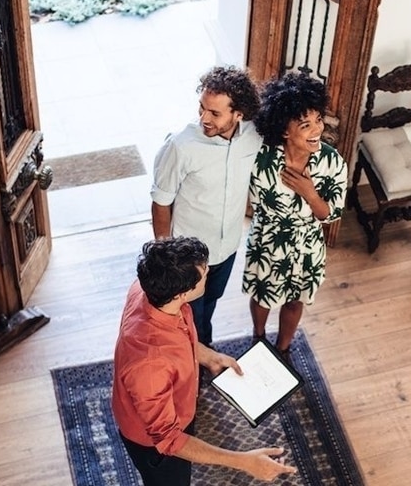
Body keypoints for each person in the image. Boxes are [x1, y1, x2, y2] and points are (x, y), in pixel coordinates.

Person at [112, 237, 297, 485]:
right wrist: (245, 461)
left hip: (175, 409)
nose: (208, 270)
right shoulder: (150, 365)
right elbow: (170, 440)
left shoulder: (148, 290)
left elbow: (175, 338)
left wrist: (208, 355)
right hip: (154, 443)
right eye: (204, 272)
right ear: (182, 293)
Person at [151, 66, 263, 346]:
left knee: (210, 304)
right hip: (189, 255)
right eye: (202, 109)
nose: (204, 118)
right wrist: (165, 254)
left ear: (238, 114)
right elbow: (161, 202)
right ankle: (198, 363)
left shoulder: (254, 135)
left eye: (215, 113)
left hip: (227, 248)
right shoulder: (182, 146)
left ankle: (200, 352)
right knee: (192, 315)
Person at [243, 73, 347, 362]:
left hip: (306, 244)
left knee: (294, 299)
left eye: (318, 120)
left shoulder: (332, 162)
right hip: (267, 239)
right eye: (305, 124)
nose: (317, 130)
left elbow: (332, 214)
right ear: (285, 130)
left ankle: (284, 347)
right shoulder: (259, 157)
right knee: (262, 295)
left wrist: (310, 193)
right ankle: (258, 336)